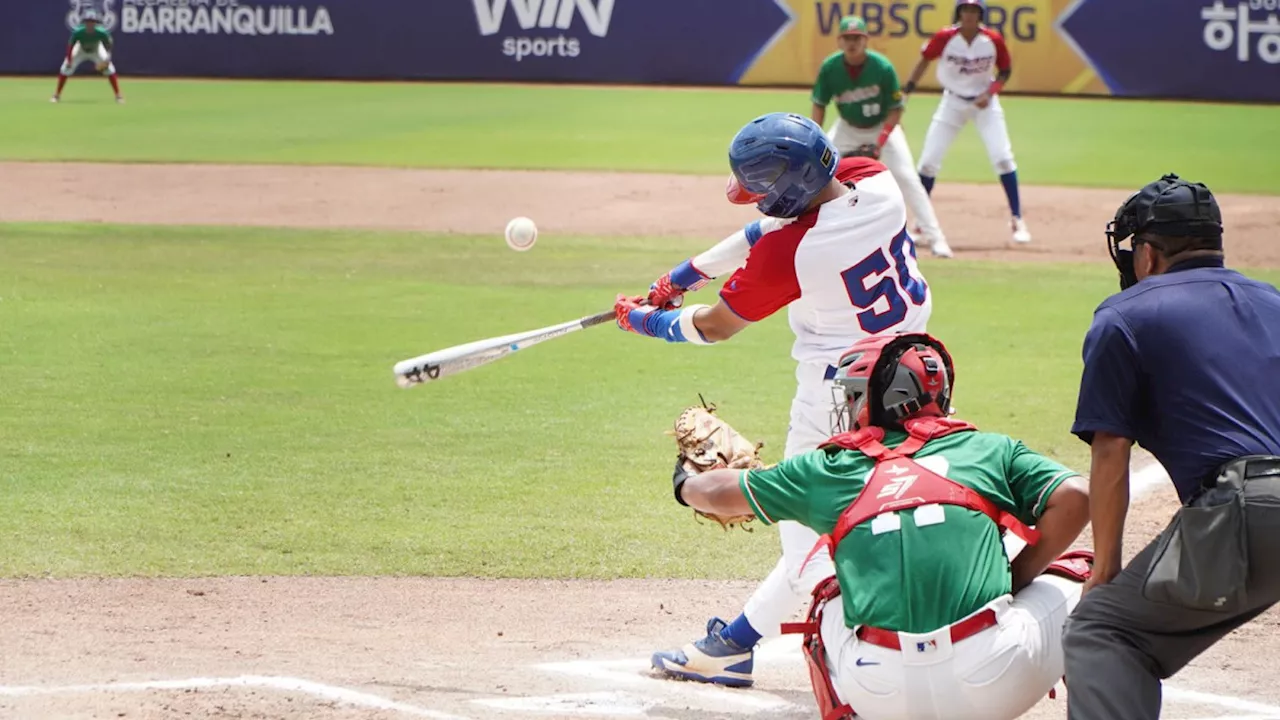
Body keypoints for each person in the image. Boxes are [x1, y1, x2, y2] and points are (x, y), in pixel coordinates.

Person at [614, 112, 933, 688]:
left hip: (840, 394)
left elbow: (714, 326)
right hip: (918, 376)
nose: (755, 201)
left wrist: (646, 320)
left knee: (806, 536)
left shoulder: (795, 254)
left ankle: (844, 657)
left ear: (790, 187)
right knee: (894, 505)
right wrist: (687, 272)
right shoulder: (875, 181)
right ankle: (735, 642)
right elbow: (771, 227)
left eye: (761, 190)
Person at [671, 331, 1092, 719]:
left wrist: (684, 482)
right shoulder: (988, 449)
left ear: (883, 397)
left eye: (855, 394)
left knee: (827, 596)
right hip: (998, 682)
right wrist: (1015, 579)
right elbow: (1077, 497)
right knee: (1085, 575)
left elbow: (715, 492)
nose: (850, 406)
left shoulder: (829, 467)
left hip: (878, 690)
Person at [1063, 173, 1280, 720]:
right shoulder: (1273, 301)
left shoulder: (1124, 316)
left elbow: (1111, 451)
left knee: (1104, 630)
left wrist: (1103, 572)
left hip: (1247, 509)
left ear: (1149, 254)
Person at [812, 16, 952, 259]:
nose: (852, 42)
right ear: (839, 41)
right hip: (847, 127)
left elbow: (896, 109)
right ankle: (813, 233)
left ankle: (936, 238)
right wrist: (817, 141)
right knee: (820, 174)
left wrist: (880, 143)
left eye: (857, 38)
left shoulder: (882, 67)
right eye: (848, 38)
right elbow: (820, 105)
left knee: (908, 179)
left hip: (882, 127)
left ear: (866, 40)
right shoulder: (830, 68)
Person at [902, 0, 1028, 244]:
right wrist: (907, 90)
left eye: (974, 11)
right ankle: (919, 222)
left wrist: (990, 92)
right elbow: (925, 59)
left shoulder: (992, 39)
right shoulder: (945, 37)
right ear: (958, 13)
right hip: (952, 103)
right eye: (965, 10)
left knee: (1002, 158)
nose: (969, 15)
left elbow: (1005, 70)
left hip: (985, 105)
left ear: (981, 15)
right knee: (928, 163)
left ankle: (1017, 219)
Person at [52, 8, 124, 105]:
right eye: (88, 21)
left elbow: (109, 44)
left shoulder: (101, 32)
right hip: (80, 49)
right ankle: (56, 95)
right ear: (84, 22)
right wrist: (69, 60)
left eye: (92, 22)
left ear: (95, 23)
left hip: (96, 49)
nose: (90, 24)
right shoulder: (78, 32)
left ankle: (118, 95)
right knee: (65, 68)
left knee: (109, 69)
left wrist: (107, 59)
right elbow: (70, 46)